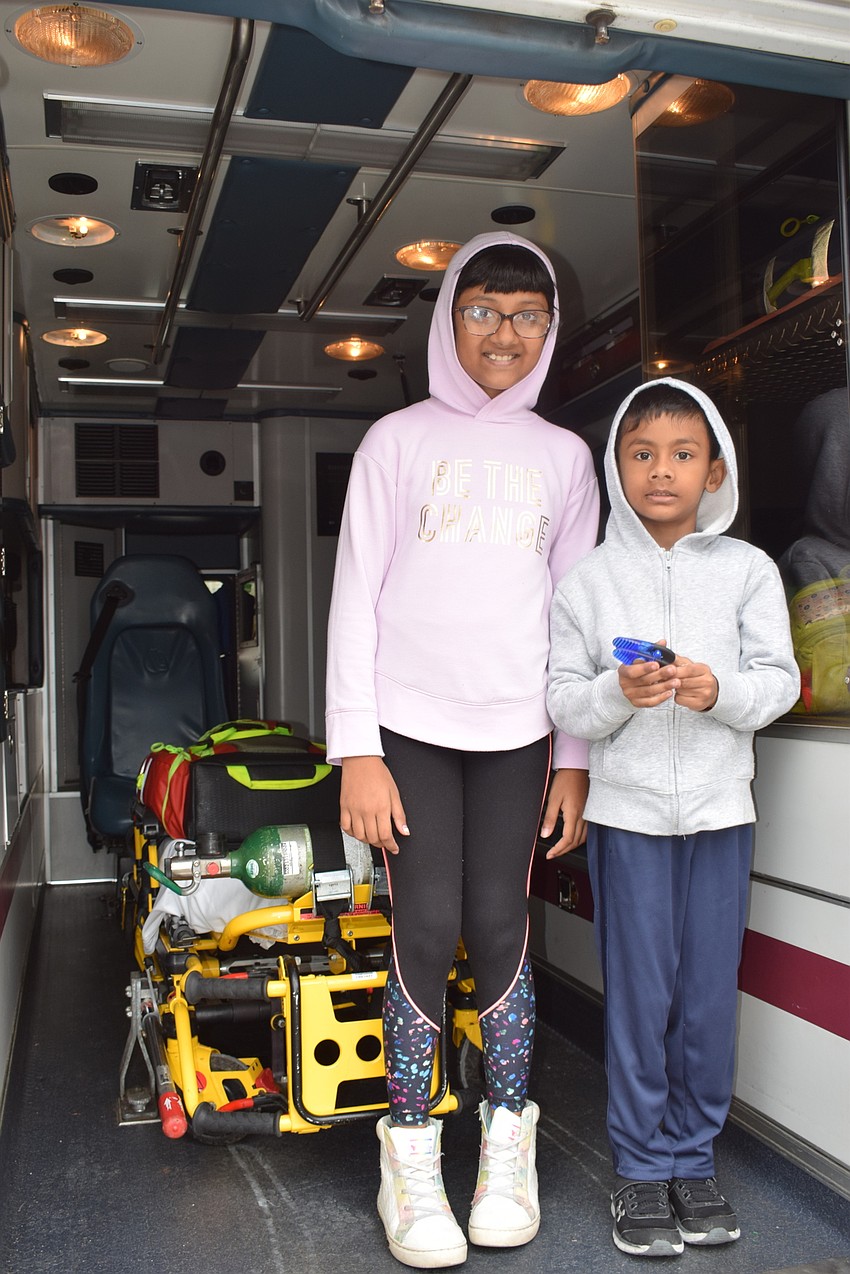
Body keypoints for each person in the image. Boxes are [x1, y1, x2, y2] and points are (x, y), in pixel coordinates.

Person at [325, 231, 599, 1269]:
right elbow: (355, 595)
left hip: (521, 728)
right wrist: (356, 745)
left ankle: (506, 1146)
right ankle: (409, 1159)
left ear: (550, 329)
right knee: (427, 920)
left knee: (499, 921)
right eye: (484, 309)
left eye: (527, 315)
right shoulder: (395, 441)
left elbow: (575, 615)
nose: (505, 332)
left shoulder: (565, 458)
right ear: (448, 317)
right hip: (406, 724)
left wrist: (572, 753)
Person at [546, 379, 799, 1258]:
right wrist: (618, 697)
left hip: (723, 816)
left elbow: (782, 682)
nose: (663, 471)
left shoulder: (749, 571)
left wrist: (718, 691)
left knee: (703, 1001)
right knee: (641, 1000)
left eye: (683, 455)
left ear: (714, 469)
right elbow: (562, 703)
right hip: (630, 822)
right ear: (617, 468)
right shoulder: (587, 581)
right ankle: (641, 1172)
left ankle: (694, 1161)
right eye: (643, 453)